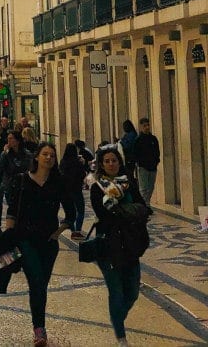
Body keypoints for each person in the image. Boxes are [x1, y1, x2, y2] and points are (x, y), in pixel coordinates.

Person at [4, 142, 68, 347]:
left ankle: (39, 327)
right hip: (25, 240)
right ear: (37, 157)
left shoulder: (58, 183)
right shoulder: (22, 180)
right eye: (45, 154)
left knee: (41, 286)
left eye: (52, 155)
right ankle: (39, 329)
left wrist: (58, 232)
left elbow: (72, 212)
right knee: (37, 281)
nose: (49, 158)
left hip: (48, 243)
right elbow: (12, 211)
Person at [90, 145, 150, 346]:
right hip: (109, 245)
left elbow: (144, 208)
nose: (110, 164)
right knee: (116, 290)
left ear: (119, 162)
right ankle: (121, 336)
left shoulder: (129, 182)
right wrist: (131, 211)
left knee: (132, 291)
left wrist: (124, 209)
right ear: (101, 164)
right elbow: (105, 213)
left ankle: (117, 318)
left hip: (131, 244)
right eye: (106, 161)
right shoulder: (97, 187)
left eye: (114, 160)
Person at [59, 142, 88, 239]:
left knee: (70, 212)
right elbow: (83, 175)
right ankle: (77, 230)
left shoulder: (63, 162)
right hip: (76, 189)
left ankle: (72, 230)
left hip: (65, 190)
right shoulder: (77, 162)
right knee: (80, 210)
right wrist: (83, 164)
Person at [133, 118, 160, 211]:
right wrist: (139, 163)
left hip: (153, 166)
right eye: (144, 126)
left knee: (151, 186)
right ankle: (145, 205)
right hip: (143, 167)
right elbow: (135, 153)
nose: (147, 127)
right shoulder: (138, 139)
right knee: (144, 187)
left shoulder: (153, 139)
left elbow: (157, 151)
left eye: (148, 125)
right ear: (141, 127)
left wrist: (156, 161)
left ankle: (146, 203)